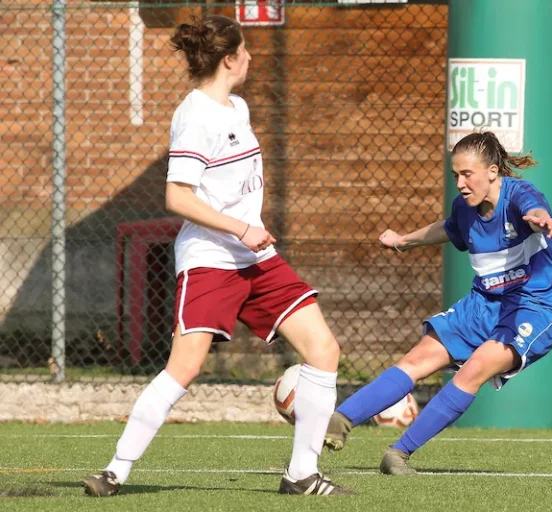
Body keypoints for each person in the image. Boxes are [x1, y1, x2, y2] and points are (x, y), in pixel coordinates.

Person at [83, 15, 352, 496]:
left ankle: (302, 475)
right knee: (183, 368)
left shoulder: (237, 108)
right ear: (229, 59)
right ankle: (115, 471)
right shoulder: (195, 116)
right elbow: (178, 197)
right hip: (211, 257)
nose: (250, 56)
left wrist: (249, 233)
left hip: (255, 258)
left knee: (323, 350)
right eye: (244, 50)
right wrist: (241, 227)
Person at [323, 131, 552, 475]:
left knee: (475, 368)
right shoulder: (464, 208)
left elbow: (531, 205)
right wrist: (403, 241)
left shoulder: (519, 195)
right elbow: (447, 227)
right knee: (418, 358)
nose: (460, 182)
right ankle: (340, 420)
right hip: (485, 301)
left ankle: (398, 454)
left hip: (538, 304)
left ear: (492, 171)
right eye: (455, 174)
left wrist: (539, 216)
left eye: (467, 174)